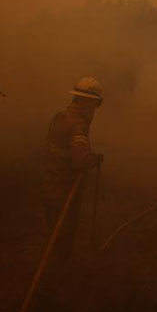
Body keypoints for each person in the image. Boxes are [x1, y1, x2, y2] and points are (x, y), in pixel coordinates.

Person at [41, 77, 104, 261]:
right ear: (89, 102)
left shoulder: (60, 117)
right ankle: (59, 268)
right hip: (65, 188)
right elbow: (79, 161)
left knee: (53, 227)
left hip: (49, 182)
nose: (94, 110)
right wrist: (94, 159)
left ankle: (53, 261)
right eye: (95, 105)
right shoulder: (78, 126)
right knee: (64, 231)